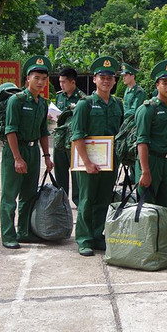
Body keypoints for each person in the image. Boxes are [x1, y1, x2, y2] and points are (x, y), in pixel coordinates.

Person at [70, 56, 123, 256]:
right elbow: (77, 136)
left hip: (109, 162)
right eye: (102, 77)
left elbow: (121, 133)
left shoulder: (117, 104)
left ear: (114, 81)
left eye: (110, 78)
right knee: (86, 200)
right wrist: (87, 162)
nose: (106, 81)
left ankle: (97, 235)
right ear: (94, 79)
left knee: (103, 199)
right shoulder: (85, 104)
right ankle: (84, 239)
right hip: (88, 161)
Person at [0, 56, 55, 249]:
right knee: (10, 196)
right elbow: (10, 130)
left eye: (43, 79)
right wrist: (17, 158)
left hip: (33, 152)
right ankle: (8, 235)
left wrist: (47, 156)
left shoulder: (42, 103)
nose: (40, 82)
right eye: (36, 78)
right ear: (27, 79)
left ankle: (23, 232)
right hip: (15, 150)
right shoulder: (16, 101)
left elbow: (43, 132)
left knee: (29, 194)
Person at [134, 60, 167, 208]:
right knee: (147, 208)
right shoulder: (148, 109)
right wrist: (145, 171)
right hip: (151, 161)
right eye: (165, 83)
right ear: (157, 85)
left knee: (164, 207)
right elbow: (142, 142)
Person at [53, 67, 87, 207]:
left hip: (74, 140)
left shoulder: (82, 98)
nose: (61, 85)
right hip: (60, 140)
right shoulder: (59, 96)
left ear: (73, 82)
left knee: (76, 172)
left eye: (64, 82)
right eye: (60, 82)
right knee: (60, 172)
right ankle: (61, 201)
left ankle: (78, 201)